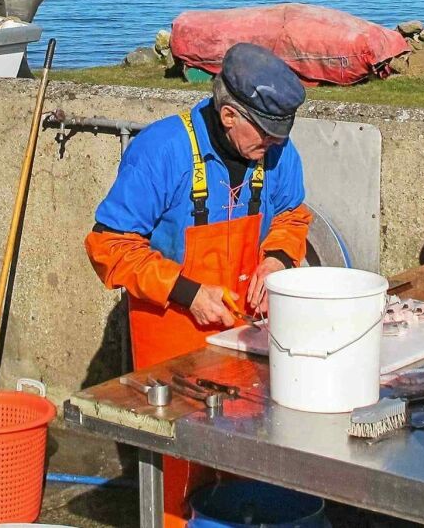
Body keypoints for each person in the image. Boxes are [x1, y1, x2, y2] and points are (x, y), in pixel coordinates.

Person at [85, 42, 311, 528]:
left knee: (245, 458)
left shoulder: (277, 154)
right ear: (230, 115)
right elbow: (109, 246)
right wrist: (188, 291)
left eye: (280, 135)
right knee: (178, 470)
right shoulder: (160, 151)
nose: (274, 145)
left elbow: (293, 215)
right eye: (266, 134)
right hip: (172, 339)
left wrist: (275, 261)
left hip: (245, 339)